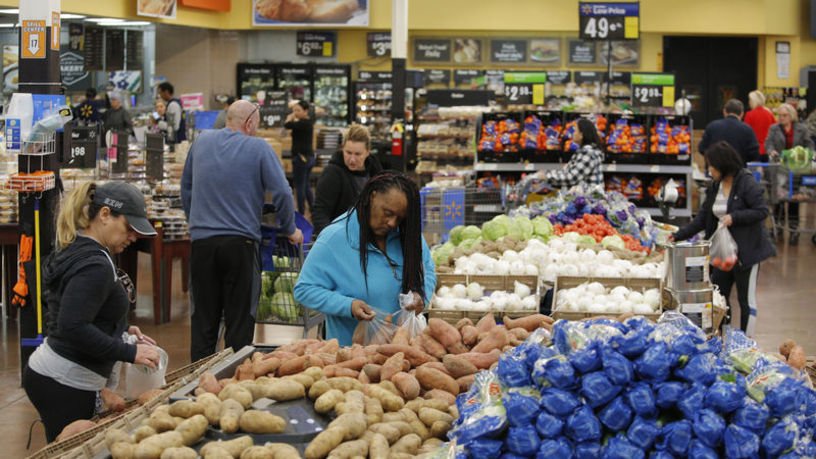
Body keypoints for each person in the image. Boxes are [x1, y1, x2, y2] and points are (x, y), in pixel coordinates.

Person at [23, 181, 160, 442]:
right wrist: (130, 352)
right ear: (105, 215)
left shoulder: (81, 247)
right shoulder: (94, 265)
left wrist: (118, 327)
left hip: (57, 374)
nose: (133, 237)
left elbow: (75, 307)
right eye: (129, 227)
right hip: (65, 382)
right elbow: (73, 326)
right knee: (71, 449)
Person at [182, 100, 303, 361]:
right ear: (249, 123)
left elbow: (187, 188)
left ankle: (197, 391)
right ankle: (233, 387)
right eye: (256, 126)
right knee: (239, 325)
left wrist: (197, 222)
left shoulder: (201, 142)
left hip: (202, 246)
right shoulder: (258, 147)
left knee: (203, 322)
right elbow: (282, 191)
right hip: (241, 247)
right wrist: (289, 228)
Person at [294, 172, 436, 346]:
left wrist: (422, 294)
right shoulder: (335, 238)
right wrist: (348, 306)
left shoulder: (407, 235)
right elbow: (304, 289)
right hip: (352, 356)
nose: (392, 223)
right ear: (372, 196)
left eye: (399, 218)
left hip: (403, 351)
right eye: (387, 213)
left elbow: (427, 269)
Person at [672, 141, 775, 337]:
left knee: (747, 301)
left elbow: (761, 211)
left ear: (723, 164)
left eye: (712, 165)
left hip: (746, 253)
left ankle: (746, 342)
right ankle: (724, 338)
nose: (709, 170)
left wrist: (734, 218)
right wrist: (677, 235)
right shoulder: (715, 187)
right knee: (720, 299)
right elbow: (703, 218)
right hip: (721, 254)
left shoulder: (746, 182)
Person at [312, 124, 382, 236]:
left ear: (367, 152)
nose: (352, 159)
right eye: (348, 153)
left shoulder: (375, 169)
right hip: (341, 235)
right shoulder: (332, 173)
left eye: (358, 154)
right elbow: (320, 213)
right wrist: (330, 239)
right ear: (342, 148)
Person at [765, 103, 815, 244]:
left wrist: (808, 154)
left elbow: (809, 144)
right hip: (779, 168)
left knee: (794, 199)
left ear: (791, 115)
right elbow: (768, 143)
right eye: (779, 115)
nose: (781, 118)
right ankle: (778, 227)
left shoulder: (802, 128)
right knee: (779, 199)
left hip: (797, 170)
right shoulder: (773, 129)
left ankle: (794, 229)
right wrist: (771, 151)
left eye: (784, 115)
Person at [531, 118, 603, 188]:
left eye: (575, 131)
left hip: (589, 197)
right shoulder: (586, 151)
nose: (573, 134)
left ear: (581, 135)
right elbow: (566, 172)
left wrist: (546, 176)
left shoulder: (588, 153)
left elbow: (572, 178)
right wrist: (547, 173)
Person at [698, 99, 759, 165]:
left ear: (724, 111)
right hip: (738, 169)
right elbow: (754, 153)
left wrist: (713, 159)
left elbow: (702, 148)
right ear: (742, 113)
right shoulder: (747, 129)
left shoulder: (712, 126)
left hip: (715, 169)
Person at [284, 100, 315, 215]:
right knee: (306, 184)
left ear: (306, 111)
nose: (295, 112)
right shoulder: (308, 122)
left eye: (298, 110)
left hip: (301, 158)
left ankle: (301, 212)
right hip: (309, 157)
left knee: (299, 186)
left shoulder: (303, 123)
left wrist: (289, 117)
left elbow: (287, 125)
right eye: (294, 110)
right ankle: (312, 208)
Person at [743, 90, 777, 161]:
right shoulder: (769, 114)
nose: (749, 102)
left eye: (750, 100)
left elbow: (745, 133)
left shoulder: (750, 114)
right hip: (768, 149)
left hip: (755, 149)